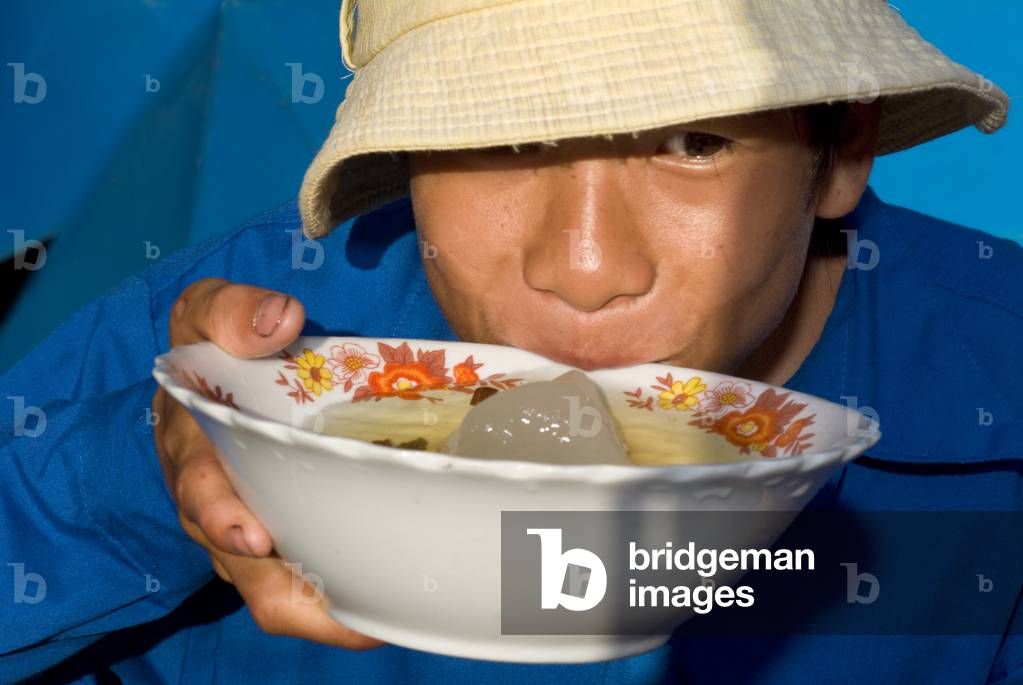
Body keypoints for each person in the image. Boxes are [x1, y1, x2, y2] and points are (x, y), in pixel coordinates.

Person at [2, 1, 1021, 683]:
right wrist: (143, 476)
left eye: (692, 141)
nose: (582, 267)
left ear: (841, 147)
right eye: (500, 138)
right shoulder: (234, 346)